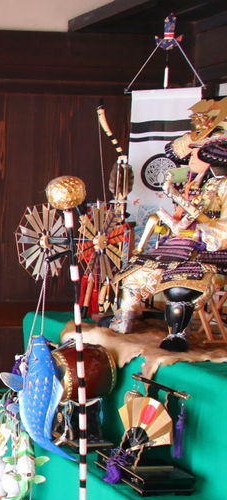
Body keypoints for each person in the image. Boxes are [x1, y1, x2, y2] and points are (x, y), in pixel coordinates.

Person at [109, 97, 227, 351]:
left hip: (210, 250)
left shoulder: (224, 186)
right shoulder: (192, 184)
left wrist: (201, 230)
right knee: (136, 273)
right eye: (191, 151)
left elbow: (222, 228)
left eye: (196, 152)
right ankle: (125, 319)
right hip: (180, 243)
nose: (191, 157)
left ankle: (177, 334)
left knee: (179, 288)